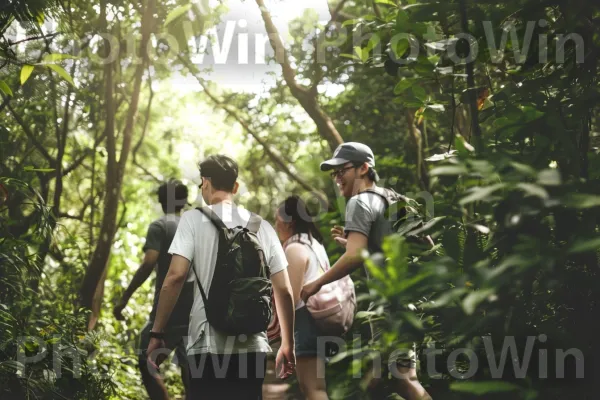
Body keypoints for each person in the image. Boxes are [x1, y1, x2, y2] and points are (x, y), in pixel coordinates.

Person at [146, 154, 296, 400]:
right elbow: (285, 290)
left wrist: (157, 333)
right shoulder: (262, 226)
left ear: (205, 183)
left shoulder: (192, 220)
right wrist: (287, 343)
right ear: (235, 187)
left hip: (206, 344)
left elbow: (175, 277)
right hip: (252, 344)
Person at [300, 142, 432, 400]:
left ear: (364, 168)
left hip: (390, 304)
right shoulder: (390, 197)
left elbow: (355, 256)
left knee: (402, 379)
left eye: (342, 171)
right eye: (334, 173)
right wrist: (355, 245)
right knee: (377, 381)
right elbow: (398, 246)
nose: (337, 178)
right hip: (413, 299)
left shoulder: (359, 202)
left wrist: (316, 284)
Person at [113, 179, 194, 400]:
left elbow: (149, 262)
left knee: (145, 361)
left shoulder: (160, 226)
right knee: (191, 371)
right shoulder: (195, 227)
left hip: (167, 310)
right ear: (184, 201)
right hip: (196, 310)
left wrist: (125, 297)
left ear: (161, 201)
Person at [274, 195, 332, 400]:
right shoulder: (314, 243)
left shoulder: (294, 248)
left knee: (312, 388)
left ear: (290, 222)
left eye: (277, 220)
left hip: (306, 323)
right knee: (315, 387)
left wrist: (281, 335)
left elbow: (290, 296)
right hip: (320, 321)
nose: (275, 225)